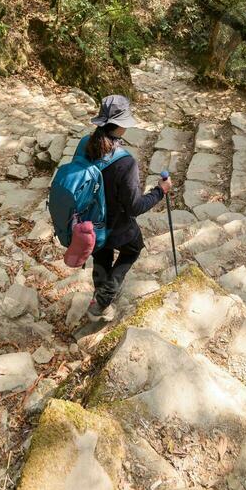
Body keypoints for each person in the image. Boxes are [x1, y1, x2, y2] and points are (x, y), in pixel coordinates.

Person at [84, 94, 172, 322]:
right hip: (116, 225)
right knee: (133, 249)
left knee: (101, 254)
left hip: (90, 220)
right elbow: (134, 207)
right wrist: (159, 191)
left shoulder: (87, 144)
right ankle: (103, 299)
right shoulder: (125, 162)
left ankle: (98, 296)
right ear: (122, 124)